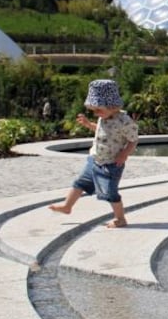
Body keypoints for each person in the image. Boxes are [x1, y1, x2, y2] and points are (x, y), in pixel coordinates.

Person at [48, 79, 138, 228]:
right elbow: (102, 130)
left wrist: (124, 154)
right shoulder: (103, 117)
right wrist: (89, 124)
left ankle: (120, 218)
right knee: (79, 182)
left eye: (98, 109)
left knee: (110, 193)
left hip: (111, 164)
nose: (96, 113)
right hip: (94, 158)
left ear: (112, 105)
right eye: (93, 110)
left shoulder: (124, 121)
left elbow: (133, 140)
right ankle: (67, 206)